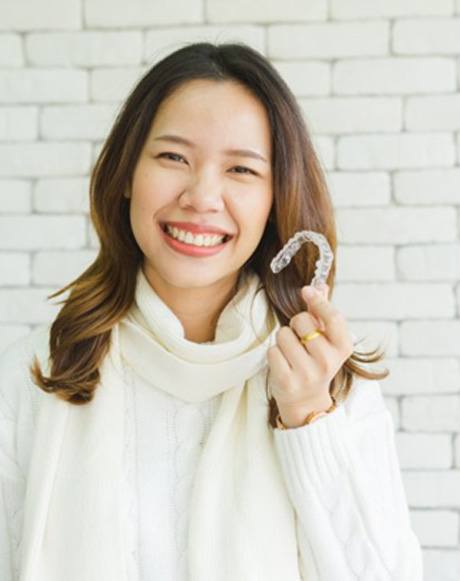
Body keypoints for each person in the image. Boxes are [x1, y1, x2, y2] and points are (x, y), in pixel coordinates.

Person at [0, 42, 423, 581]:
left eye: (242, 170)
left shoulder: (332, 385)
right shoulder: (32, 377)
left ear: (275, 196)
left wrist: (310, 421)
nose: (202, 196)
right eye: (173, 157)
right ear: (127, 174)